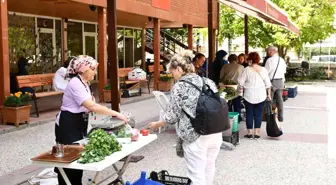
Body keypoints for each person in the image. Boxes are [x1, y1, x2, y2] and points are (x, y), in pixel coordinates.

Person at [148, 50, 222, 185]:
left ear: (178, 69)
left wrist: (156, 124)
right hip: (215, 130)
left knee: (196, 174)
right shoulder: (208, 81)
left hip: (195, 134)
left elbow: (172, 116)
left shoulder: (179, 86)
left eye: (172, 72)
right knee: (209, 166)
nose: (172, 76)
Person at [54, 55, 128, 185]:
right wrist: (117, 114)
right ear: (83, 69)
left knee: (78, 158)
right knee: (69, 161)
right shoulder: (75, 83)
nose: (95, 72)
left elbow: (92, 108)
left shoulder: (85, 83)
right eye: (93, 69)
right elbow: (91, 106)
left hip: (78, 122)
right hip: (68, 124)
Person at [238, 52, 271, 139]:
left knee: (249, 113)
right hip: (261, 95)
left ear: (251, 60)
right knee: (258, 114)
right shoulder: (263, 69)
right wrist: (269, 95)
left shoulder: (247, 69)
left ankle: (249, 133)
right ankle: (257, 133)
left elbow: (240, 82)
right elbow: (268, 84)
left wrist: (242, 86)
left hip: (249, 95)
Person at [264, 46, 287, 122]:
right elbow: (284, 72)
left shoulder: (269, 60)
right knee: (280, 100)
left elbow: (265, 73)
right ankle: (281, 117)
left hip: (272, 81)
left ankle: (269, 117)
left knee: (269, 99)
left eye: (268, 51)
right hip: (280, 81)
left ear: (272, 51)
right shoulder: (282, 60)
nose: (268, 52)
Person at [219, 54, 244, 122]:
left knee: (226, 104)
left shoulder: (225, 66)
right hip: (237, 88)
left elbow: (221, 77)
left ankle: (227, 118)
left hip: (227, 87)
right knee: (237, 104)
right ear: (237, 59)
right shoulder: (241, 67)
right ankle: (237, 119)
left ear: (229, 60)